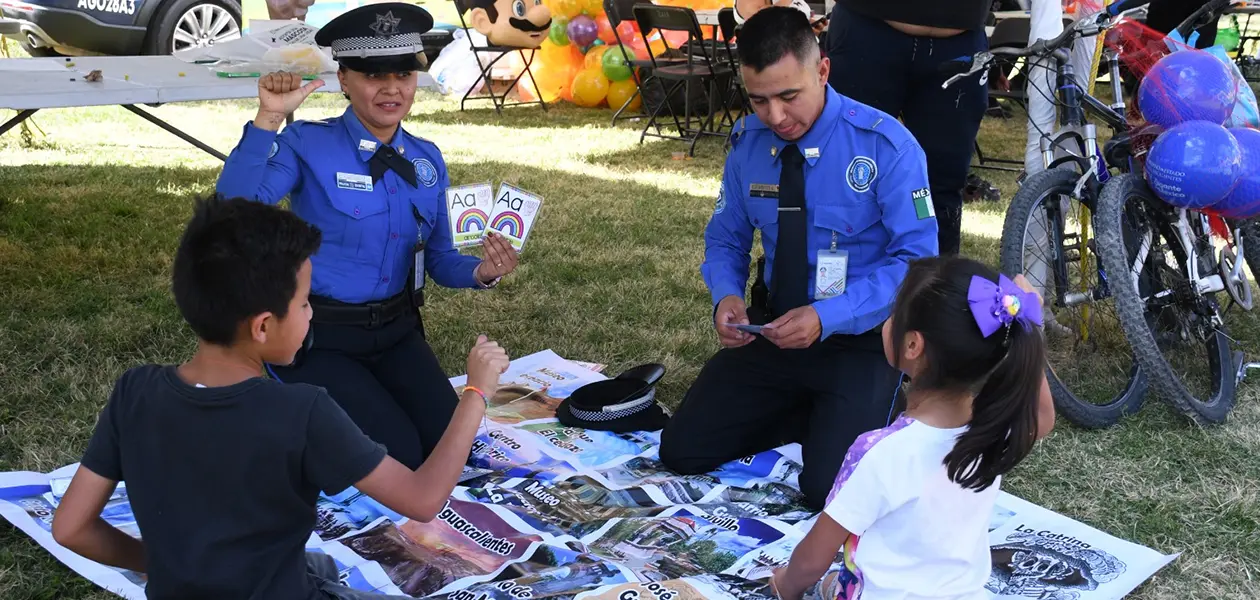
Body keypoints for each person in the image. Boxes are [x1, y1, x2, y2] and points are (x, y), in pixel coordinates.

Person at [49, 197, 512, 599]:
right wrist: (475, 391)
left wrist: (163, 563)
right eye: (307, 302)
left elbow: (71, 528)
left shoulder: (134, 390)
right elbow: (424, 499)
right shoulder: (302, 411)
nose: (312, 315)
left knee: (319, 567)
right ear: (264, 326)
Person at [214, 3, 521, 472]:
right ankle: (284, 400)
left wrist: (482, 271)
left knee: (451, 447)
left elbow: (438, 259)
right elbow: (234, 211)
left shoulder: (426, 159)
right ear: (344, 79)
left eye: (403, 73)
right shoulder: (307, 145)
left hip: (397, 331)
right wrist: (268, 118)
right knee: (399, 459)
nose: (392, 88)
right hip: (323, 337)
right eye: (374, 75)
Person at [658, 8, 939, 510]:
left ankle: (866, 404)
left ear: (823, 71)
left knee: (827, 491)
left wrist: (828, 316)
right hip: (774, 333)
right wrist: (726, 295)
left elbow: (916, 261)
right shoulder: (747, 144)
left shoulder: (885, 146)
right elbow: (726, 238)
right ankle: (815, 411)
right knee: (682, 450)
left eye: (789, 96)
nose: (776, 117)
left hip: (860, 342)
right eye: (759, 100)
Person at [769, 256, 1057, 600]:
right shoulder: (991, 427)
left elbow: (812, 560)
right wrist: (1029, 325)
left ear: (912, 345)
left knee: (832, 581)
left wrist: (786, 585)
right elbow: (1043, 417)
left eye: (892, 313)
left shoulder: (879, 450)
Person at [825, 0, 993, 255]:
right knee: (849, 176)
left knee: (944, 184)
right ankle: (845, 286)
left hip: (962, 35)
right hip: (866, 28)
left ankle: (936, 288)